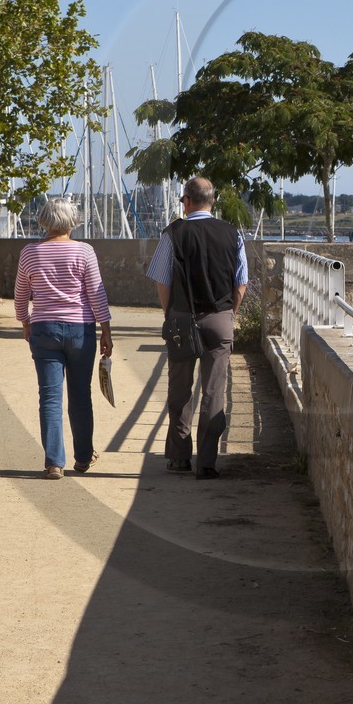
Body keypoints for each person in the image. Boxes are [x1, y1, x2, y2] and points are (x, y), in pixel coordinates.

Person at [145, 176, 247, 480]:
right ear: (212, 200)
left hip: (181, 317)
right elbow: (241, 283)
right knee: (214, 392)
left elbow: (162, 281)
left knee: (179, 390)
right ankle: (207, 462)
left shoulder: (172, 233)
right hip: (220, 317)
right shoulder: (233, 234)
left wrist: (170, 313)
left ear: (186, 201)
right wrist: (230, 313)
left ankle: (179, 457)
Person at [15, 197, 113, 480]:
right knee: (80, 394)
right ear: (72, 221)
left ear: (44, 221)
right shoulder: (84, 252)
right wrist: (105, 329)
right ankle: (82, 457)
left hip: (43, 328)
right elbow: (96, 293)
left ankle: (54, 462)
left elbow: (21, 293)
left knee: (50, 396)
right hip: (80, 329)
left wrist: (25, 322)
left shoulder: (30, 253)